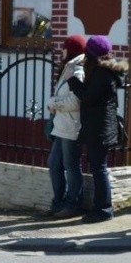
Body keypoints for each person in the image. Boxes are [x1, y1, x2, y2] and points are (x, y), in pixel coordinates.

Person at [68, 35, 128, 223]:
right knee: (98, 167)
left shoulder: (102, 74)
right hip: (98, 126)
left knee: (99, 169)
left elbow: (87, 98)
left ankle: (103, 209)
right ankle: (101, 208)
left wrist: (73, 81)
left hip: (99, 128)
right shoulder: (104, 71)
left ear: (91, 53)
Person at [45, 35, 86, 217]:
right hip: (61, 124)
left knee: (71, 165)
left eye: (64, 47)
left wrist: (54, 102)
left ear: (70, 50)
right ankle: (58, 203)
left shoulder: (77, 71)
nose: (61, 50)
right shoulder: (68, 68)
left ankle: (73, 204)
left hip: (71, 125)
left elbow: (76, 101)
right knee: (54, 163)